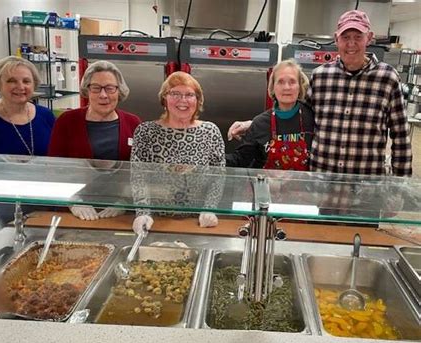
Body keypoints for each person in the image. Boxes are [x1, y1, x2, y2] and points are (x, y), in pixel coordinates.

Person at [309, 10, 412, 176]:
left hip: (367, 183)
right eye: (345, 37)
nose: (351, 43)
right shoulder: (319, 76)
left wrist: (401, 185)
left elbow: (401, 136)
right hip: (321, 179)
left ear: (369, 38)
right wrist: (258, 124)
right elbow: (302, 122)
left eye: (358, 37)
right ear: (336, 39)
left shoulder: (388, 78)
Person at [130, 71, 226, 234]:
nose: (183, 100)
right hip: (156, 222)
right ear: (164, 99)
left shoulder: (210, 131)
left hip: (197, 222)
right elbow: (138, 175)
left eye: (189, 95)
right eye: (175, 93)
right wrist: (143, 213)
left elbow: (219, 175)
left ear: (198, 100)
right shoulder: (146, 131)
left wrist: (209, 209)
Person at [48, 60, 141, 221]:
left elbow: (140, 173)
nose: (103, 95)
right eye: (96, 88)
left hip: (121, 218)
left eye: (110, 88)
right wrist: (73, 201)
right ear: (87, 90)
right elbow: (54, 170)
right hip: (75, 216)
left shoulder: (134, 123)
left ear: (119, 91)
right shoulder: (67, 121)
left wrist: (125, 202)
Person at [226, 59, 315, 170]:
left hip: (304, 186)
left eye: (292, 81)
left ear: (300, 86)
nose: (286, 87)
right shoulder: (260, 123)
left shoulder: (313, 117)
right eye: (280, 82)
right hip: (268, 186)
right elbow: (240, 160)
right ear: (273, 87)